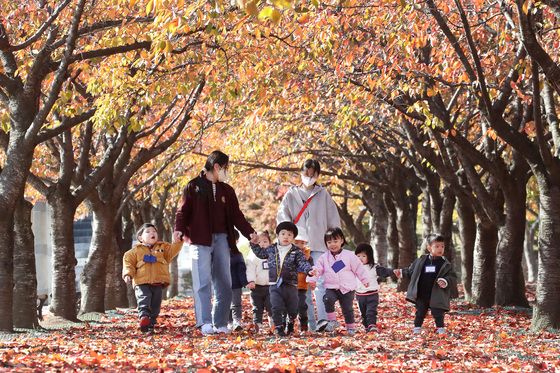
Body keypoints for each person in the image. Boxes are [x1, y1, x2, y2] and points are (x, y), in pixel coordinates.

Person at [174, 150, 256, 335]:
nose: (227, 171)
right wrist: (178, 229)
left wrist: (250, 233)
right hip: (199, 239)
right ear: (217, 166)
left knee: (224, 282)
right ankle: (204, 322)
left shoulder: (227, 190)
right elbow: (182, 212)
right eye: (226, 168)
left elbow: (237, 215)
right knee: (202, 282)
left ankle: (220, 323)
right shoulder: (193, 187)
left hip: (222, 239)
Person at [276, 159, 341, 330]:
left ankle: (323, 320)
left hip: (319, 244)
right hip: (298, 246)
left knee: (320, 283)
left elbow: (333, 220)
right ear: (301, 173)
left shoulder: (323, 194)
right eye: (306, 173)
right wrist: (287, 241)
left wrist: (334, 243)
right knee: (302, 285)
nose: (309, 177)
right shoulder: (291, 194)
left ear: (318, 175)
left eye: (313, 174)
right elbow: (283, 218)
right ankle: (311, 323)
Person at [249, 221, 315, 337]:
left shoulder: (296, 251)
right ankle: (279, 328)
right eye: (283, 234)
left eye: (290, 235)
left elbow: (302, 263)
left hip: (291, 285)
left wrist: (309, 270)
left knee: (293, 307)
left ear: (293, 238)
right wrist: (254, 244)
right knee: (276, 306)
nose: (286, 237)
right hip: (275, 284)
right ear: (278, 235)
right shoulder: (271, 249)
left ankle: (290, 322)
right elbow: (260, 253)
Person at [123, 223, 183, 333]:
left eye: (154, 231)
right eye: (148, 232)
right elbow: (128, 263)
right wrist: (128, 274)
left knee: (156, 304)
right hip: (141, 282)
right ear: (140, 238)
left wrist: (177, 241)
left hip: (157, 282)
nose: (152, 233)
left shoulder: (163, 248)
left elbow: (173, 250)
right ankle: (144, 317)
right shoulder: (134, 251)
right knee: (144, 298)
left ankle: (150, 324)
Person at [309, 228, 369, 336]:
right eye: (329, 242)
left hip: (347, 288)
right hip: (331, 287)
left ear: (342, 240)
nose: (332, 244)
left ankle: (350, 328)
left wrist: (364, 280)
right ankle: (332, 322)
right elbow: (317, 269)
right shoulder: (324, 258)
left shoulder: (349, 255)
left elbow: (359, 268)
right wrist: (312, 279)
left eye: (335, 241)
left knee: (347, 309)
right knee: (327, 299)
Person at [394, 234, 457, 335]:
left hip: (437, 293)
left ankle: (440, 328)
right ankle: (417, 328)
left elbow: (452, 276)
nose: (440, 249)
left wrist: (445, 281)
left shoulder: (445, 263)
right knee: (420, 311)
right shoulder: (421, 261)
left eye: (442, 246)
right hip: (422, 293)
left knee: (438, 312)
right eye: (437, 246)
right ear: (429, 248)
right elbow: (411, 271)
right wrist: (401, 272)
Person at [354, 243, 394, 332]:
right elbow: (341, 270)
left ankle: (372, 326)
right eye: (358, 256)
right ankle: (367, 327)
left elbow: (385, 271)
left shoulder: (374, 267)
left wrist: (394, 271)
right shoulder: (353, 267)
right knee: (363, 314)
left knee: (370, 312)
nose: (360, 258)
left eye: (363, 256)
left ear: (369, 257)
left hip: (372, 295)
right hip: (359, 296)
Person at [246, 231, 273, 333]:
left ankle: (273, 324)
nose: (262, 244)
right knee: (257, 308)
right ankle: (258, 325)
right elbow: (250, 269)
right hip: (256, 287)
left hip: (270, 287)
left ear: (270, 243)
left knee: (271, 306)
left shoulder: (272, 255)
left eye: (265, 241)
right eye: (259, 242)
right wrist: (251, 280)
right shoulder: (253, 256)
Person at [294, 231, 314, 333]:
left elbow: (311, 270)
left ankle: (304, 326)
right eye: (296, 243)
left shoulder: (308, 256)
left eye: (302, 243)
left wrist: (311, 280)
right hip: (290, 285)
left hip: (302, 285)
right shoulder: (288, 254)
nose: (299, 245)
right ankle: (289, 327)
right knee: (290, 307)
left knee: (302, 306)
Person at [230, 230, 248, 331]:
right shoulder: (219, 254)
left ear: (237, 241)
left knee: (236, 303)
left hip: (236, 283)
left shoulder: (238, 254)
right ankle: (228, 322)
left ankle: (236, 321)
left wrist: (244, 282)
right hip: (223, 284)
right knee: (225, 304)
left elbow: (242, 269)